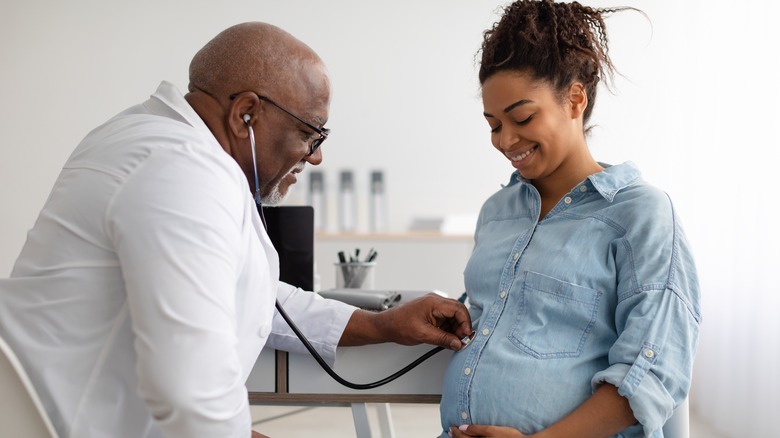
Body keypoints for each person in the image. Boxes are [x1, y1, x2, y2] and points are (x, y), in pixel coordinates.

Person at [0, 22, 473, 438]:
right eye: (311, 134)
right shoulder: (184, 172)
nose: (315, 157)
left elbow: (256, 294)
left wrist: (381, 324)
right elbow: (193, 390)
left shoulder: (157, 142)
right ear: (245, 113)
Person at [441, 1, 701, 437]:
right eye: (492, 125)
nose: (505, 140)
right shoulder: (496, 213)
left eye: (522, 117)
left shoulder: (641, 215)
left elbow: (651, 372)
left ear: (575, 99)